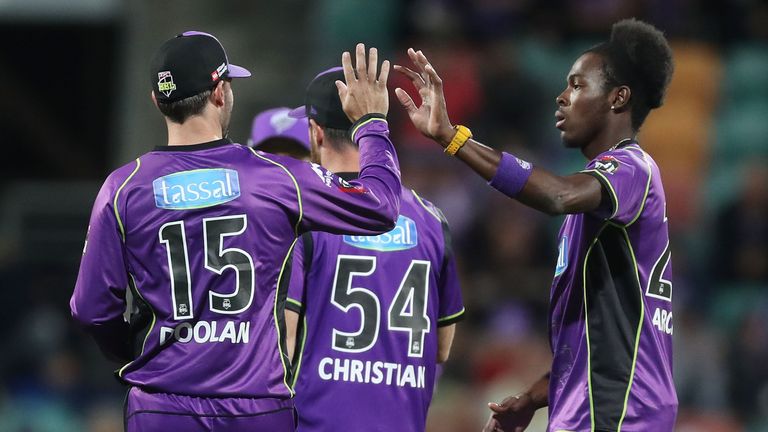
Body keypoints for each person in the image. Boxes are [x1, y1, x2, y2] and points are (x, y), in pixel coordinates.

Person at [69, 32, 400, 432]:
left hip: (161, 406)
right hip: (256, 407)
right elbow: (380, 207)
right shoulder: (277, 177)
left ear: (156, 101)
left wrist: (133, 356)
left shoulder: (124, 188)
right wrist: (372, 124)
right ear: (221, 93)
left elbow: (90, 309)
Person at [395, 18, 678, 431]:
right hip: (594, 406)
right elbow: (596, 344)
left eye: (578, 85)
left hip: (620, 410)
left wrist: (451, 137)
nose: (562, 97)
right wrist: (533, 397)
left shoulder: (632, 168)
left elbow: (556, 195)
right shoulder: (598, 206)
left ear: (618, 98)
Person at [282, 67, 465, 431]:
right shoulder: (432, 219)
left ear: (315, 133)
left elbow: (283, 345)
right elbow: (441, 349)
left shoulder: (306, 215)